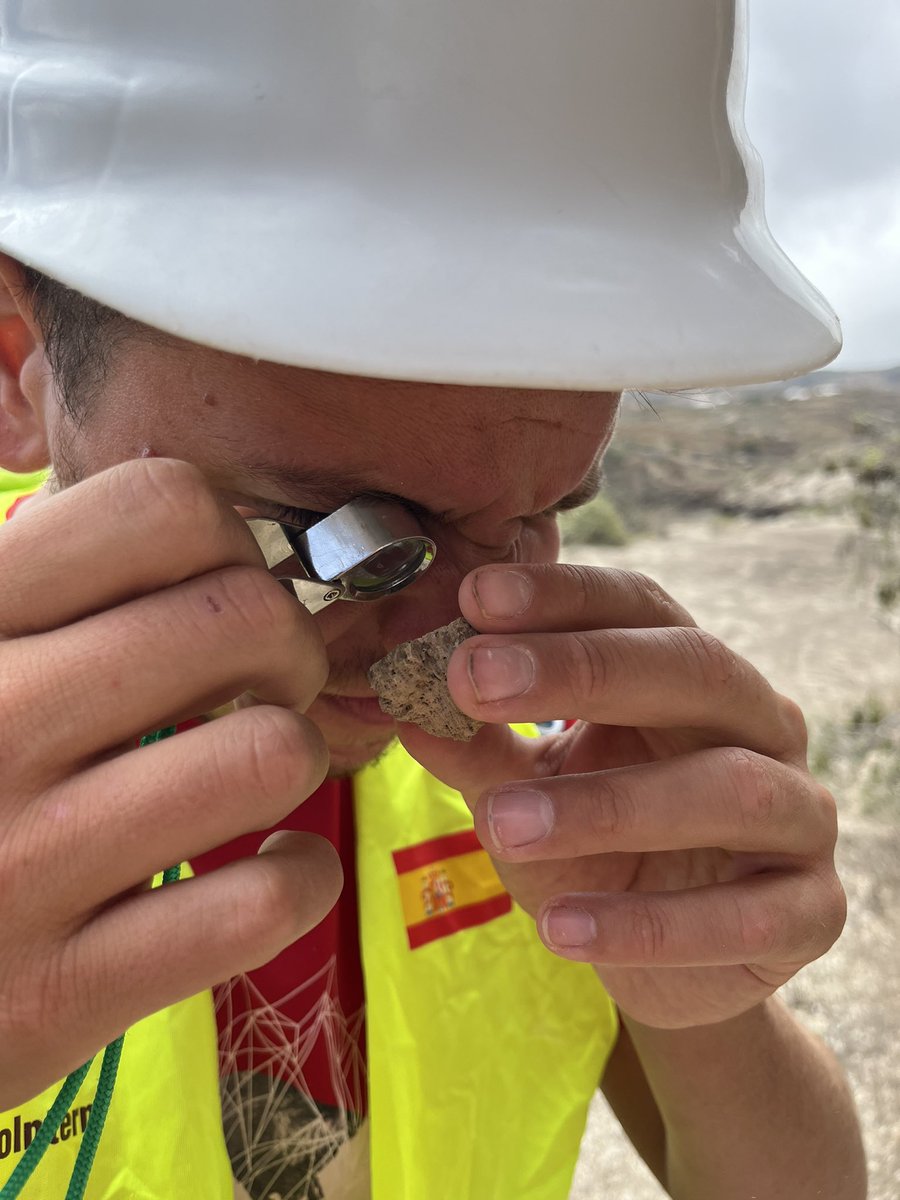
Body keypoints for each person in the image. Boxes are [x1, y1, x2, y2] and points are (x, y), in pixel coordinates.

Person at [0, 2, 867, 1198]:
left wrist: (701, 999)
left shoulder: (544, 779)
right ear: (18, 363)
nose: (458, 648)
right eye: (338, 535)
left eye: (534, 518)